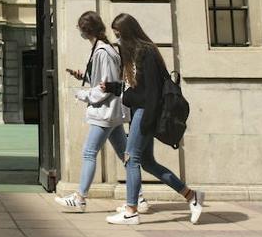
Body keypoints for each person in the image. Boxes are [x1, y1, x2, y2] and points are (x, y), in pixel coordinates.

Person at [105, 13, 205, 225]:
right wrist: (116, 88)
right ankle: (191, 196)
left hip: (145, 113)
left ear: (129, 33)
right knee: (148, 163)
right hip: (140, 113)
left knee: (130, 158)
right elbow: (137, 89)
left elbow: (151, 93)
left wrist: (144, 121)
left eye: (120, 35)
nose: (118, 40)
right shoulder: (135, 53)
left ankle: (131, 210)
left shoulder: (146, 53)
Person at [53, 11, 148, 214]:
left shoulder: (103, 52)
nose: (78, 31)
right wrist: (85, 76)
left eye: (79, 28)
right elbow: (102, 80)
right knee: (126, 156)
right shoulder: (103, 49)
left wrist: (83, 94)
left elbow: (106, 86)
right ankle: (139, 197)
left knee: (89, 152)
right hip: (111, 113)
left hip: (105, 112)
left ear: (86, 30)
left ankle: (80, 197)